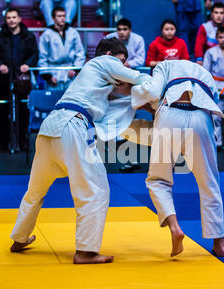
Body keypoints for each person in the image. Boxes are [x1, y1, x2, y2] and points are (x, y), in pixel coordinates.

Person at [9, 38, 150, 264]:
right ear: (110, 55)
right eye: (122, 62)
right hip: (72, 126)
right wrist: (158, 84)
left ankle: (19, 238)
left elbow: (122, 100)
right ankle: (85, 251)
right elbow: (139, 79)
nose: (124, 67)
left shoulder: (94, 82)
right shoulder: (103, 61)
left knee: (35, 190)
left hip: (50, 128)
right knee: (95, 188)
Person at [129, 59, 224, 258]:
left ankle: (175, 228)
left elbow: (153, 92)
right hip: (201, 116)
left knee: (158, 180)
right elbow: (213, 99)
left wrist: (135, 99)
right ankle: (219, 243)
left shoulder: (162, 66)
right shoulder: (202, 71)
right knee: (209, 181)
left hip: (170, 114)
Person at [0, 8, 38, 152]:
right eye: (8, 17)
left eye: (14, 17)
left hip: (22, 78)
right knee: (3, 110)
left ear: (19, 19)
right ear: (6, 20)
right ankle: (3, 142)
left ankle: (23, 142)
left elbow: (35, 52)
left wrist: (28, 64)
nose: (11, 20)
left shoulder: (28, 36)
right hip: (4, 77)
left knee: (23, 110)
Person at [38, 6, 85, 91]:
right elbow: (42, 57)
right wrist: (48, 76)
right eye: (59, 16)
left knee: (71, 101)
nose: (62, 18)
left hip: (70, 72)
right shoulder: (46, 35)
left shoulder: (73, 32)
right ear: (53, 18)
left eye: (64, 16)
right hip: (53, 72)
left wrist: (75, 68)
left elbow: (80, 52)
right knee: (52, 102)